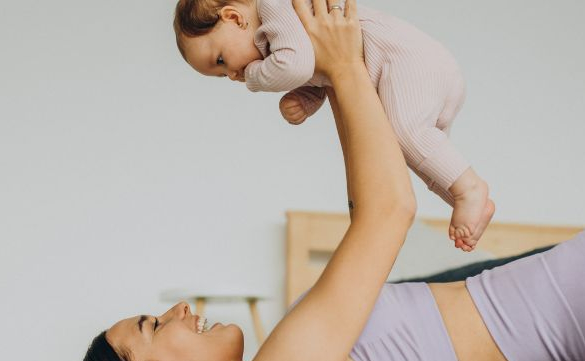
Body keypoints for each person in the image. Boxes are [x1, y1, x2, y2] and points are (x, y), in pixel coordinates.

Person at [75, 1, 585, 361]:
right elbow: (388, 211)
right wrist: (340, 64)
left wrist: (341, 77)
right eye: (153, 326)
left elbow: (366, 206)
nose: (179, 311)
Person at [173, 0, 493, 251]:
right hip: (417, 69)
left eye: (221, 60)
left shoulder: (273, 7)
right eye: (221, 75)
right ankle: (465, 202)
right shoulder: (279, 37)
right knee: (405, 150)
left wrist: (255, 78)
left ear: (233, 17)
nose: (232, 75)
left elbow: (297, 65)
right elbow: (321, 70)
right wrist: (305, 100)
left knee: (404, 133)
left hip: (409, 61)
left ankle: (470, 189)